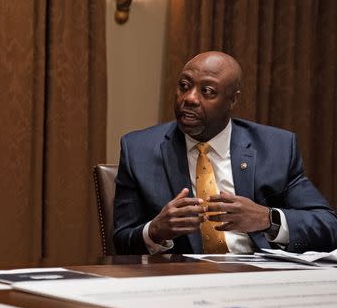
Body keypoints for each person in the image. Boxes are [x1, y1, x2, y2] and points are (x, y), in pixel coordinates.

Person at [113, 51, 337, 255]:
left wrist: (267, 219)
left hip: (258, 277)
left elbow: (328, 225)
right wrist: (155, 231)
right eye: (184, 86)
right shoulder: (139, 150)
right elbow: (121, 242)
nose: (189, 98)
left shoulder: (275, 148)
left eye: (207, 91)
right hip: (182, 281)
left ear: (232, 100)